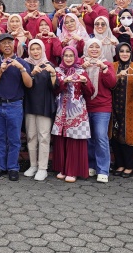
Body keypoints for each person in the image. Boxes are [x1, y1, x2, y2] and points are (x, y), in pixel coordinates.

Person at [0, 33, 33, 181]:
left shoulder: (22, 62)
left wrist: (21, 69)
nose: (7, 45)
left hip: (14, 105)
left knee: (14, 139)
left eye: (9, 43)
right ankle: (1, 166)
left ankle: (13, 167)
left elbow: (29, 84)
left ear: (14, 44)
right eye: (3, 43)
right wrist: (0, 71)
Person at [51, 47, 93, 183]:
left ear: (75, 57)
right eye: (66, 55)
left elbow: (90, 92)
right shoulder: (57, 71)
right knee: (61, 138)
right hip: (61, 109)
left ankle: (73, 171)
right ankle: (62, 169)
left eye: (71, 56)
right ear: (62, 57)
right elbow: (54, 89)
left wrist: (85, 82)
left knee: (74, 139)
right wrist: (64, 81)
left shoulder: (81, 71)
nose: (68, 58)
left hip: (77, 110)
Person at [110, 42, 133, 178]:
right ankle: (119, 164)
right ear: (117, 53)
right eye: (122, 51)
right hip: (114, 107)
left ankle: (130, 167)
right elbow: (108, 84)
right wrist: (117, 76)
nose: (124, 54)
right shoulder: (112, 66)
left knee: (126, 138)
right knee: (115, 136)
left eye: (127, 51)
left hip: (130, 108)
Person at [21, 39, 57, 181]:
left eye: (38, 49)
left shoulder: (49, 65)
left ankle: (43, 168)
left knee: (44, 137)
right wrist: (32, 73)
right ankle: (33, 165)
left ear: (43, 50)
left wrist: (53, 74)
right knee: (31, 136)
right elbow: (23, 84)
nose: (35, 52)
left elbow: (55, 88)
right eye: (33, 49)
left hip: (45, 105)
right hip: (30, 104)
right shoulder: (26, 64)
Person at [82, 40, 118, 182]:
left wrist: (104, 69)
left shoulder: (107, 64)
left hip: (102, 106)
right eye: (91, 46)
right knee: (88, 137)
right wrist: (82, 69)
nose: (94, 49)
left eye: (97, 47)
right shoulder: (81, 62)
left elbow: (112, 83)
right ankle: (91, 165)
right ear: (86, 48)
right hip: (85, 105)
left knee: (101, 136)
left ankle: (103, 169)